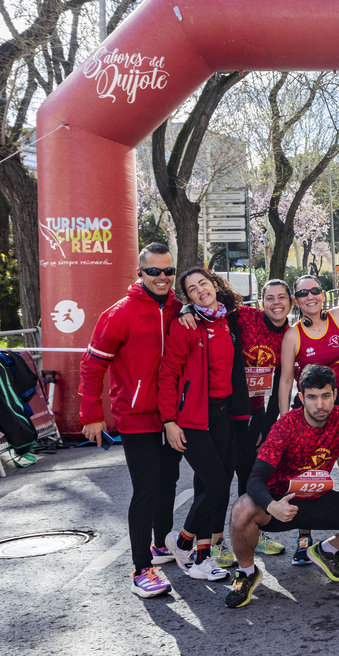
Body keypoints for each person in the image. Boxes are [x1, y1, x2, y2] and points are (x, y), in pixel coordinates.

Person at [225, 365, 339, 609]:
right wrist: (271, 505)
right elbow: (255, 479)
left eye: (325, 396)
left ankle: (326, 550)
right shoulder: (286, 426)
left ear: (335, 395)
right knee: (242, 508)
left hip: (319, 500)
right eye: (312, 397)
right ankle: (246, 573)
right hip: (282, 502)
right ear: (301, 398)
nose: (320, 405)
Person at [79, 243, 183, 598]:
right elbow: (92, 366)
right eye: (154, 271)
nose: (162, 278)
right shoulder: (118, 313)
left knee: (169, 480)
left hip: (171, 416)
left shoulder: (178, 310)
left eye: (168, 271)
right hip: (135, 416)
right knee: (146, 488)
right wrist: (92, 415)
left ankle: (161, 545)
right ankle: (142, 568)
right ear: (140, 273)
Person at [159, 269, 249, 583]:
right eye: (192, 289)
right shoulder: (186, 326)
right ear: (188, 297)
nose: (200, 291)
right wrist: (169, 421)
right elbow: (168, 374)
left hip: (222, 414)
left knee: (211, 485)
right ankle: (186, 545)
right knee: (217, 484)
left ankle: (197, 553)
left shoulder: (225, 319)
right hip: (192, 418)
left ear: (214, 285)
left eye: (204, 284)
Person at [277, 275, 339, 565]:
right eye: (302, 293)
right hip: (309, 410)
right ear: (296, 300)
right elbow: (286, 379)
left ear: (323, 295)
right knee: (307, 474)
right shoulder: (293, 334)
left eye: (315, 290)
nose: (310, 296)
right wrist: (283, 417)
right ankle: (305, 536)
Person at [228, 280, 295, 559]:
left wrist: (265, 428)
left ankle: (253, 533)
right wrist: (186, 308)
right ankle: (211, 540)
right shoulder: (245, 316)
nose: (276, 303)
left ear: (290, 302)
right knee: (216, 478)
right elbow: (210, 308)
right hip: (226, 408)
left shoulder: (290, 335)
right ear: (261, 302)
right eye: (269, 298)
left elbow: (280, 382)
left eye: (282, 297)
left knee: (251, 476)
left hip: (256, 412)